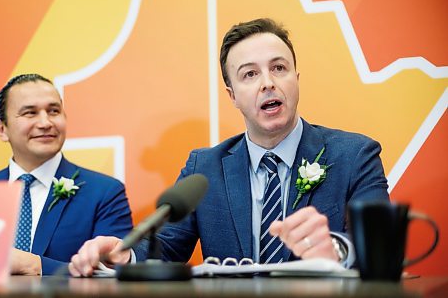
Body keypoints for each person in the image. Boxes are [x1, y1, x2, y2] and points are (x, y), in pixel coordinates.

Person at [69, 18, 389, 277]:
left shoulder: (354, 154)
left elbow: (381, 249)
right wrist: (124, 254)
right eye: (250, 74)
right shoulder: (204, 167)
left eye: (279, 68)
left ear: (296, 78)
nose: (268, 83)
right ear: (232, 95)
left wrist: (335, 251)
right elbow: (165, 246)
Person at [0, 74, 133, 275]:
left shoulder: (105, 193)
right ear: (2, 129)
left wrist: (34, 265)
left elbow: (113, 276)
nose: (45, 122)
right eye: (30, 113)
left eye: (53, 111)